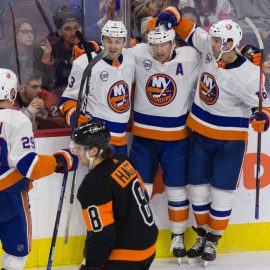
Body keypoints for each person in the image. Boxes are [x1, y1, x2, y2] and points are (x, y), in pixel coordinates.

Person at [154, 6, 270, 263]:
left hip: (230, 142)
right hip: (200, 135)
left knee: (221, 193)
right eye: (214, 39)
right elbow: (192, 32)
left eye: (219, 41)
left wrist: (263, 118)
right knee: (197, 191)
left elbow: (264, 106)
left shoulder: (250, 76)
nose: (214, 44)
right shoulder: (208, 46)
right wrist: (175, 17)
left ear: (232, 44)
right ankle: (202, 233)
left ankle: (213, 239)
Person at [129, 23, 200, 261]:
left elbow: (213, 52)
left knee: (177, 191)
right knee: (139, 189)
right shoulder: (138, 53)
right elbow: (112, 53)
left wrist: (247, 56)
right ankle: (135, 234)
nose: (158, 50)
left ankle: (177, 235)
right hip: (143, 138)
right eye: (154, 45)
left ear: (173, 43)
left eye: (163, 44)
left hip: (176, 140)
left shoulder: (190, 57)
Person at [0, 68, 78, 270]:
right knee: (15, 257)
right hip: (10, 198)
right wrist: (60, 161)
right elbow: (30, 166)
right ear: (12, 93)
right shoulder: (16, 120)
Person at [73, 120, 158, 270]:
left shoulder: (92, 185)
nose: (76, 153)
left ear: (93, 151)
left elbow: (103, 235)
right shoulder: (123, 162)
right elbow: (143, 195)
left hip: (127, 257)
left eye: (78, 148)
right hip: (149, 246)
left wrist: (92, 266)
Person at [60, 20, 135, 156]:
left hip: (121, 139)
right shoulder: (85, 64)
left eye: (118, 41)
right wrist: (73, 116)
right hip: (97, 141)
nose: (113, 46)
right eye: (108, 41)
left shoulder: (131, 58)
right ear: (102, 39)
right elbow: (66, 99)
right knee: (100, 177)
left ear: (124, 42)